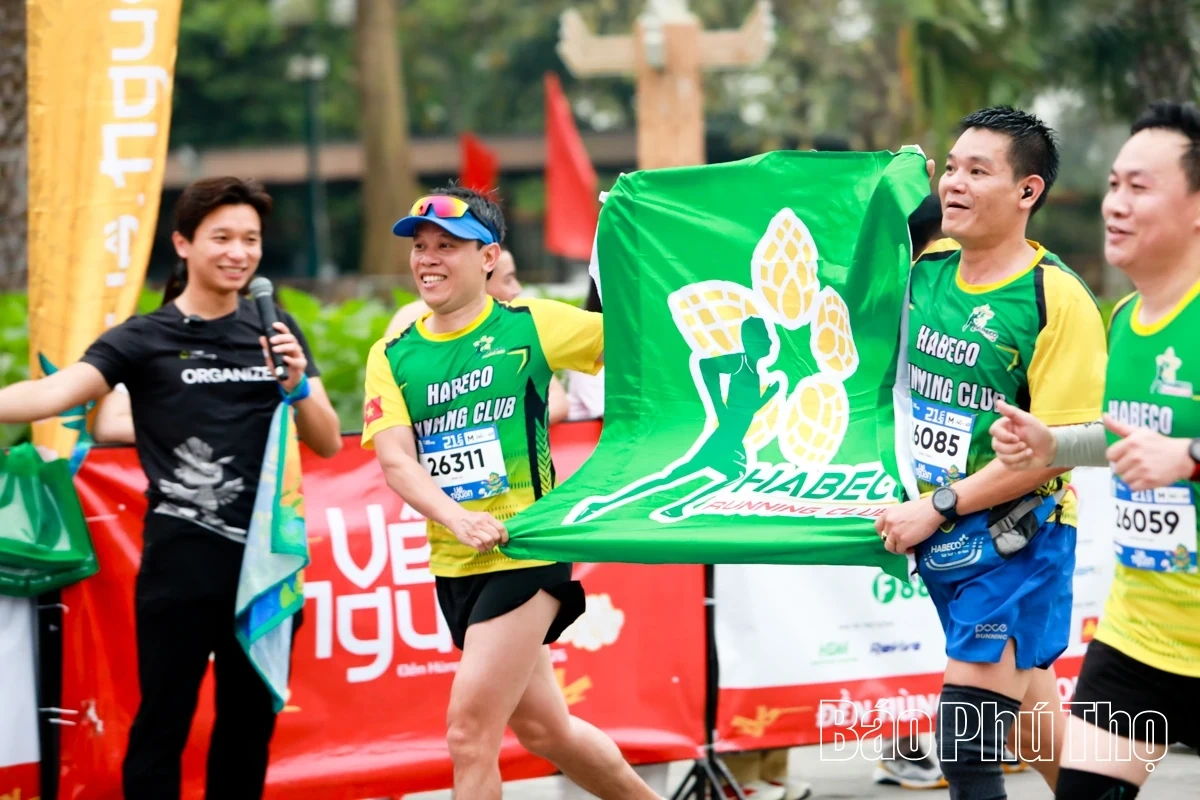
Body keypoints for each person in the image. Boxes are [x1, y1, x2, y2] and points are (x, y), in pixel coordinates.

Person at [0, 177, 342, 799]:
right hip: (180, 565)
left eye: (250, 239)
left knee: (247, 731)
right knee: (163, 725)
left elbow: (327, 440)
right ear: (183, 243)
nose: (238, 252)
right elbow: (53, 394)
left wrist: (295, 381)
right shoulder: (144, 338)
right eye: (221, 238)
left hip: (264, 566)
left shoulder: (277, 330)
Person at [362, 186, 661, 800]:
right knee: (547, 730)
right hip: (457, 560)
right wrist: (458, 518)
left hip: (526, 549)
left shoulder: (533, 324)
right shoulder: (392, 354)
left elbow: (646, 343)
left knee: (469, 737)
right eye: (420, 247)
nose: (429, 259)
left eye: (448, 245)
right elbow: (396, 460)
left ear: (489, 257)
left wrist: (637, 241)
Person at [874, 106, 1109, 799]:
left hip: (1018, 541)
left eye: (979, 171)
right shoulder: (925, 272)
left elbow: (1060, 452)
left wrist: (937, 505)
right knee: (1047, 745)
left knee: (966, 746)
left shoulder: (1056, 299)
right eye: (951, 168)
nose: (955, 184)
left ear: (1027, 191)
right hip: (946, 541)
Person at [989, 99, 1200, 800]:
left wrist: (1189, 457)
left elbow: (1173, 450)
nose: (1116, 203)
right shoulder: (1127, 320)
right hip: (1141, 633)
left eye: (1140, 187)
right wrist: (1055, 442)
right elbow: (1125, 438)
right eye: (1114, 183)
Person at [385, 246, 570, 424]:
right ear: (479, 277)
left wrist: (505, 430)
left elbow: (556, 398)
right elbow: (382, 414)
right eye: (507, 280)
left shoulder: (511, 325)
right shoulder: (407, 324)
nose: (517, 289)